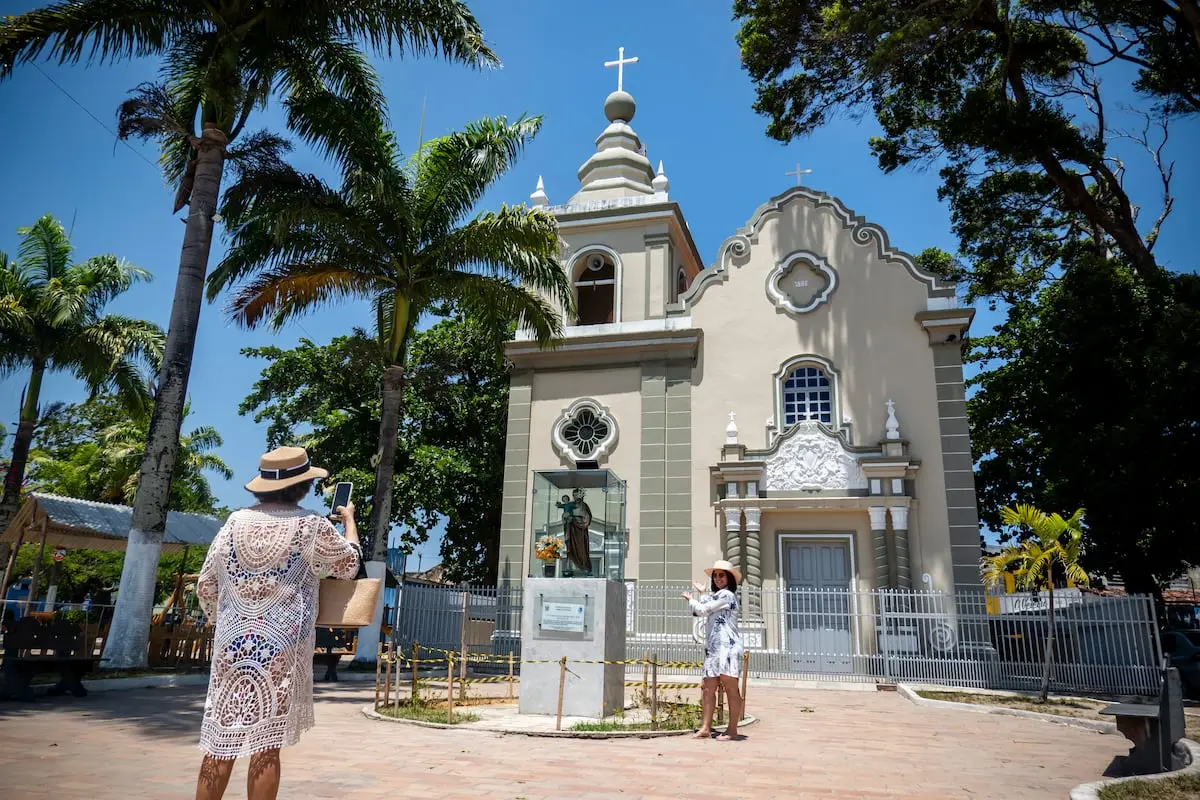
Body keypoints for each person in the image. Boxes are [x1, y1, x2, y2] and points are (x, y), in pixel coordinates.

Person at [193, 446, 362, 800]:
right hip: (280, 645)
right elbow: (349, 566)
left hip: (232, 644)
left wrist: (226, 621)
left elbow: (206, 584)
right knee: (266, 745)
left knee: (221, 739)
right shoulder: (311, 525)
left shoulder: (234, 522)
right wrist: (349, 522)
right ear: (302, 487)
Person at [681, 559, 745, 741]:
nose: (717, 579)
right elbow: (709, 603)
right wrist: (702, 593)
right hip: (714, 649)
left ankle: (732, 730)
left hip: (728, 648)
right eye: (715, 576)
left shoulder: (728, 596)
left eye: (721, 575)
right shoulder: (719, 596)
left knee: (731, 688)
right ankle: (706, 727)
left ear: (729, 578)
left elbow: (703, 610)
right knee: (708, 689)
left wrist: (692, 599)